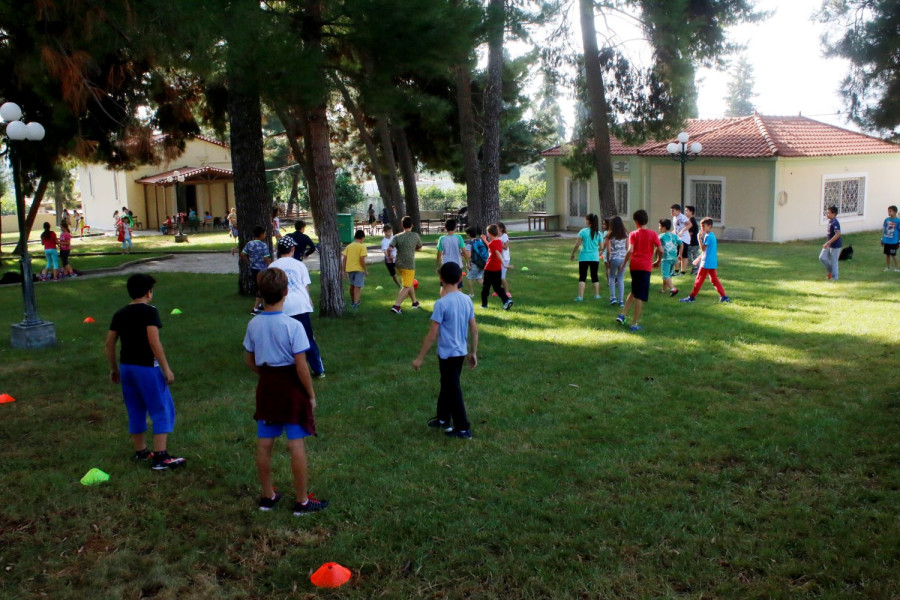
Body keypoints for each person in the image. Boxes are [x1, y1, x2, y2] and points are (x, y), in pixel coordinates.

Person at [243, 268, 329, 515]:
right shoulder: (293, 326)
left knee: (264, 443)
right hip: (291, 387)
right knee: (296, 443)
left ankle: (267, 496)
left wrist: (266, 376)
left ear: (261, 293)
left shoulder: (254, 323)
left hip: (268, 387)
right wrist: (310, 395)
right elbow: (301, 366)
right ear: (286, 292)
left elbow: (249, 360)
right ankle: (302, 501)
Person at [105, 274, 186, 470]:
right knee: (161, 408)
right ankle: (160, 456)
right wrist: (166, 368)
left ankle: (141, 451)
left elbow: (109, 343)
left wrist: (114, 369)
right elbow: (153, 341)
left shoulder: (120, 313)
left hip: (127, 368)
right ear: (149, 292)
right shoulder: (150, 311)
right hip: (147, 368)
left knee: (135, 408)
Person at [412, 262, 478, 439]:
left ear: (441, 279)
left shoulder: (441, 304)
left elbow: (432, 335)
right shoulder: (467, 300)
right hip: (460, 353)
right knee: (447, 384)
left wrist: (420, 358)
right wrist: (473, 352)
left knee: (452, 388)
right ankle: (443, 418)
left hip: (449, 354)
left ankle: (463, 428)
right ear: (459, 278)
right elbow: (474, 328)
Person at [270, 237, 326, 378]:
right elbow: (304, 285)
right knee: (307, 338)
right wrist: (308, 299)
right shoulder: (299, 265)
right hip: (300, 305)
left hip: (282, 307)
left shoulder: (272, 267)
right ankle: (318, 370)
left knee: (283, 340)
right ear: (293, 249)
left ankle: (286, 369)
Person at [616, 209, 661, 332]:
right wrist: (658, 261)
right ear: (646, 220)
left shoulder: (633, 234)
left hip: (634, 266)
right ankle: (634, 324)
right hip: (645, 267)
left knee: (635, 290)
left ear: (636, 222)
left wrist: (624, 264)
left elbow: (630, 250)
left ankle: (622, 314)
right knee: (640, 296)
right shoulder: (653, 234)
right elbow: (661, 249)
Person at [679, 217, 731, 303]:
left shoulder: (708, 237)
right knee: (714, 280)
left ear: (710, 226)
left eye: (703, 226)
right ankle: (724, 297)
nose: (701, 228)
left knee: (699, 279)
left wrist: (699, 238)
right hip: (711, 262)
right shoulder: (712, 235)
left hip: (706, 263)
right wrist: (698, 259)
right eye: (701, 226)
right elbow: (707, 251)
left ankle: (691, 297)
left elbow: (703, 249)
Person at [389, 216, 423, 314]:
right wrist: (413, 249)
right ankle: (397, 306)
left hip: (399, 264)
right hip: (409, 265)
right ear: (412, 225)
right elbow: (420, 248)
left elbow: (390, 248)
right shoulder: (415, 236)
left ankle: (415, 302)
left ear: (402, 225)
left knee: (410, 282)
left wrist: (389, 256)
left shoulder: (397, 236)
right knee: (407, 286)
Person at [570, 213, 602, 301]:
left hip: (584, 257)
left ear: (589, 221)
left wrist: (572, 253)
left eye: (586, 219)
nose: (585, 221)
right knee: (594, 276)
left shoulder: (583, 232)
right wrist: (597, 250)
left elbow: (577, 244)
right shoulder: (599, 233)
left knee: (582, 277)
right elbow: (601, 247)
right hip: (594, 258)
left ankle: (580, 297)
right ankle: (597, 295)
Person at [241, 226, 272, 314]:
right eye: (265, 233)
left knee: (259, 286)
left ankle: (262, 305)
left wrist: (249, 263)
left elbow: (243, 254)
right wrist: (270, 266)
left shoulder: (249, 244)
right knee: (262, 289)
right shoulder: (263, 245)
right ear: (261, 234)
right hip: (262, 270)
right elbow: (266, 258)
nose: (265, 235)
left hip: (253, 269)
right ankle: (255, 309)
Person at [481, 224, 513, 310]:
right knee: (497, 287)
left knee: (486, 287)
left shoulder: (493, 243)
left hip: (490, 268)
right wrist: (485, 240)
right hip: (497, 269)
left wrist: (505, 264)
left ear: (490, 234)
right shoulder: (498, 241)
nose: (487, 234)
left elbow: (498, 254)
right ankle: (507, 300)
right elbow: (493, 247)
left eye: (487, 233)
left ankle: (484, 305)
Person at [436, 218, 468, 295]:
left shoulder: (442, 239)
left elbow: (439, 253)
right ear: (455, 227)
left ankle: (443, 301)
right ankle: (459, 303)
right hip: (457, 265)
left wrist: (438, 265)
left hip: (446, 264)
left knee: (443, 286)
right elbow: (464, 251)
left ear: (445, 227)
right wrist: (468, 262)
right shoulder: (458, 237)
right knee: (458, 286)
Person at [603, 216, 628, 306]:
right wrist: (626, 260)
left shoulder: (610, 234)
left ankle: (613, 297)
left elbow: (609, 250)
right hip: (624, 258)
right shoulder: (625, 234)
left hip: (614, 258)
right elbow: (627, 248)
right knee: (620, 278)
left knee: (612, 277)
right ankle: (621, 301)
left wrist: (608, 260)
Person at [342, 229, 368, 309]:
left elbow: (344, 258)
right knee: (358, 287)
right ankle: (356, 304)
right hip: (359, 269)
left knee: (352, 285)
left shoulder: (349, 246)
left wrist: (343, 270)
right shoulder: (362, 246)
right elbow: (361, 259)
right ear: (362, 238)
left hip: (349, 268)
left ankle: (353, 300)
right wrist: (365, 270)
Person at [658, 218, 680, 297]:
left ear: (664, 227)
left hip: (666, 258)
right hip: (674, 258)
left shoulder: (661, 236)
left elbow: (658, 248)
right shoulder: (674, 236)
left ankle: (673, 289)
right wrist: (679, 254)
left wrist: (657, 258)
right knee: (667, 274)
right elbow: (681, 243)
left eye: (660, 226)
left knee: (665, 275)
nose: (659, 227)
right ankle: (664, 289)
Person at [819, 206, 842, 281]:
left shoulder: (835, 222)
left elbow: (837, 234)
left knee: (834, 262)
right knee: (822, 257)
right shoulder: (830, 221)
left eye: (829, 213)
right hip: (829, 244)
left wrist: (828, 242)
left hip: (835, 246)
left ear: (834, 214)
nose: (827, 214)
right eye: (827, 212)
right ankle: (831, 272)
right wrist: (827, 243)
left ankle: (834, 278)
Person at [464, 226, 485, 297]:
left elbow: (468, 255)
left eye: (466, 234)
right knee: (479, 277)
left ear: (469, 234)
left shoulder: (469, 243)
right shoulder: (479, 240)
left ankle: (471, 294)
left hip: (475, 263)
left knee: (468, 278)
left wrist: (467, 263)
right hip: (483, 262)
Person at [670, 204, 690, 276]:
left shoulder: (682, 217)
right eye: (671, 211)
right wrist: (671, 233)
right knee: (676, 254)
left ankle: (682, 272)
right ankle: (676, 271)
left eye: (673, 211)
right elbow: (676, 229)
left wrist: (682, 231)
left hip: (684, 239)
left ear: (678, 211)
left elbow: (689, 224)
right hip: (677, 238)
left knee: (683, 255)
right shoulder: (674, 218)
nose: (671, 212)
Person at [881, 205, 899, 272]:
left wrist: (898, 241)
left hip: (893, 242)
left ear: (895, 212)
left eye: (890, 211)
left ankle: (897, 268)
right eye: (888, 211)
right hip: (887, 241)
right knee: (887, 255)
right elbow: (884, 229)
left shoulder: (898, 221)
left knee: (893, 255)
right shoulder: (886, 220)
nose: (888, 212)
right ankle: (888, 267)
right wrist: (882, 239)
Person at [684, 206, 700, 275]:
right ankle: (696, 269)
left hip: (693, 243)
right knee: (693, 256)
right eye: (685, 211)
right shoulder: (691, 220)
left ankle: (696, 269)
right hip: (693, 243)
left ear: (691, 212)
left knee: (691, 257)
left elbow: (690, 233)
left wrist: (685, 240)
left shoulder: (691, 221)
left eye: (687, 211)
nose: (685, 212)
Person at [498, 222, 512, 297]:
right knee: (498, 276)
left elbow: (506, 247)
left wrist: (498, 243)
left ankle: (507, 292)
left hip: (505, 258)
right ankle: (499, 290)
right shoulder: (496, 236)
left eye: (497, 228)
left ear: (501, 229)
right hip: (498, 258)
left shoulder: (504, 236)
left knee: (502, 276)